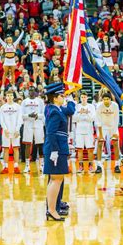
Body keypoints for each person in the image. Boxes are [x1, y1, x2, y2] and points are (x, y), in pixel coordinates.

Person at [43, 82, 75, 221]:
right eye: (62, 96)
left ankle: (52, 209)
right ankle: (51, 210)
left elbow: (70, 110)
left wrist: (71, 98)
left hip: (58, 148)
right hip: (56, 149)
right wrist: (54, 151)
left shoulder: (55, 109)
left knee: (56, 179)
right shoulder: (55, 111)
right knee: (56, 180)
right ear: (55, 98)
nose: (64, 98)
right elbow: (51, 132)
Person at [95, 92, 122, 174]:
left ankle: (117, 165)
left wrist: (114, 132)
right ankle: (99, 165)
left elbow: (116, 119)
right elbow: (98, 120)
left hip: (112, 126)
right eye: (104, 99)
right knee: (99, 144)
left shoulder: (115, 106)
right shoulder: (99, 106)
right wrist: (101, 135)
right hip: (102, 127)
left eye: (107, 99)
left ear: (110, 99)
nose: (106, 101)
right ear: (102, 100)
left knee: (115, 143)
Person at [21, 86, 45, 173]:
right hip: (28, 124)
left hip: (38, 123)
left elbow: (43, 114)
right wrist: (28, 115)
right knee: (27, 144)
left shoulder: (40, 101)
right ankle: (27, 166)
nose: (31, 92)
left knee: (40, 144)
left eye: (32, 90)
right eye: (29, 90)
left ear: (36, 92)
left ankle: (42, 165)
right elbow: (22, 114)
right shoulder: (24, 102)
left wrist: (37, 115)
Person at [0, 89, 23, 174]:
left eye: (11, 95)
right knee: (5, 149)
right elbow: (1, 120)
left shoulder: (18, 107)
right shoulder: (2, 107)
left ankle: (16, 167)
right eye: (8, 96)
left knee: (16, 148)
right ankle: (5, 167)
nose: (9, 97)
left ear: (13, 96)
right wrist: (5, 129)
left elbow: (20, 119)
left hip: (15, 130)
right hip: (6, 131)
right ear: (6, 97)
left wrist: (17, 129)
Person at [73, 91, 96, 174]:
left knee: (90, 149)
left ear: (87, 98)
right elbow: (74, 119)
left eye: (84, 97)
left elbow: (93, 118)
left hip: (89, 130)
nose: (83, 99)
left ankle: (91, 165)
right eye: (82, 97)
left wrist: (87, 113)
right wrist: (80, 114)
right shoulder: (77, 106)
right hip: (79, 131)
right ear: (80, 98)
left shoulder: (91, 106)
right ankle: (80, 166)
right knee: (79, 149)